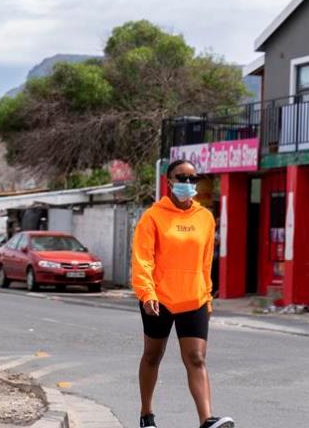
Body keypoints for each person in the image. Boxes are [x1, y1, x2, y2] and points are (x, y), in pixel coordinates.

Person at [131, 160, 234, 428]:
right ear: (169, 181)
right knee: (153, 355)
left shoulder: (205, 218)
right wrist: (147, 293)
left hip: (194, 299)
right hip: (159, 299)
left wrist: (207, 297)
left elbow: (205, 262)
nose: (188, 183)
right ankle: (146, 415)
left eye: (192, 178)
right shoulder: (153, 217)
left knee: (196, 358)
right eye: (181, 177)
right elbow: (143, 259)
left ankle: (206, 420)